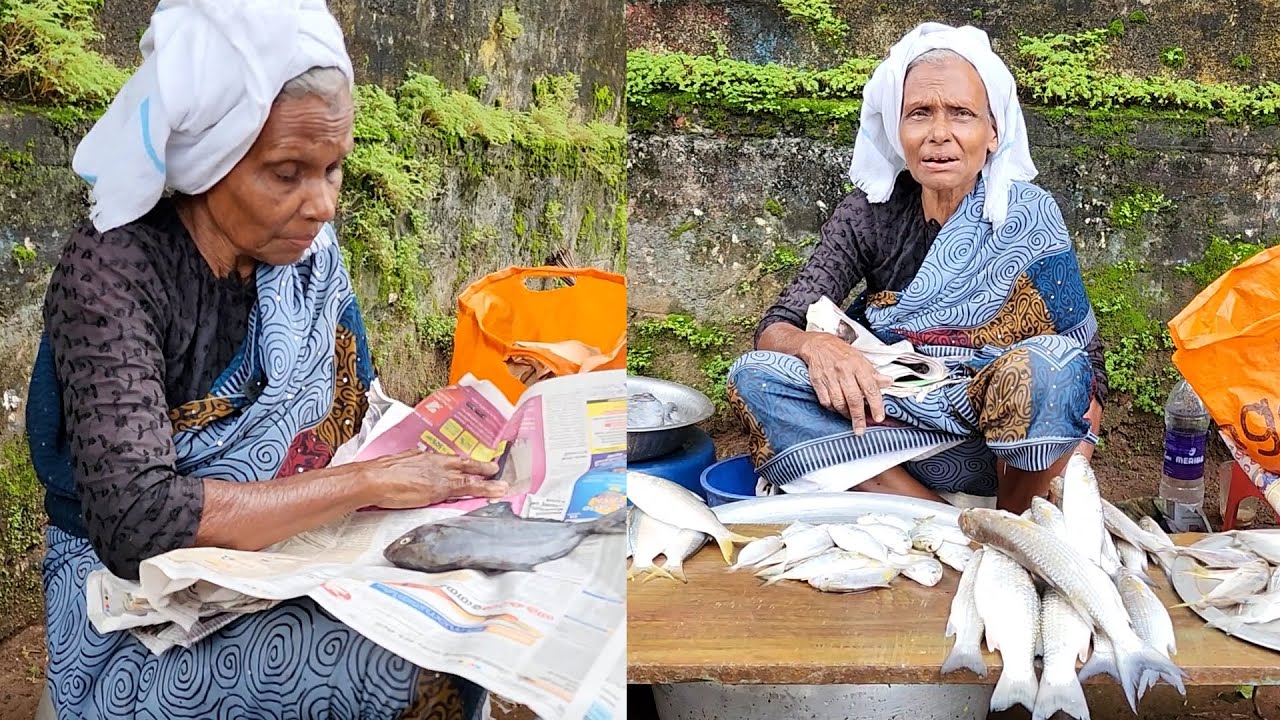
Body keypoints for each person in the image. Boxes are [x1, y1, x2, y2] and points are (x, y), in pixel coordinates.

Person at [24, 1, 506, 717]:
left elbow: (354, 408)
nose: (321, 205)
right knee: (395, 666)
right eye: (287, 173)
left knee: (472, 601)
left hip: (290, 546)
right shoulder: (114, 272)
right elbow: (139, 522)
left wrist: (403, 468)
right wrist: (366, 482)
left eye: (333, 169)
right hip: (133, 602)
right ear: (210, 154)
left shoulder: (308, 259)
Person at [725, 22, 1106, 514]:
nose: (939, 134)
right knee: (757, 375)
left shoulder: (1029, 216)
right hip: (888, 426)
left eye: (962, 114)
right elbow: (777, 325)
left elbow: (1085, 368)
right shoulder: (869, 214)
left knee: (1053, 365)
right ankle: (943, 519)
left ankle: (1014, 524)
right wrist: (813, 343)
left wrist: (1068, 473)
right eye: (919, 113)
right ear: (895, 128)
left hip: (1001, 446)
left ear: (993, 132)